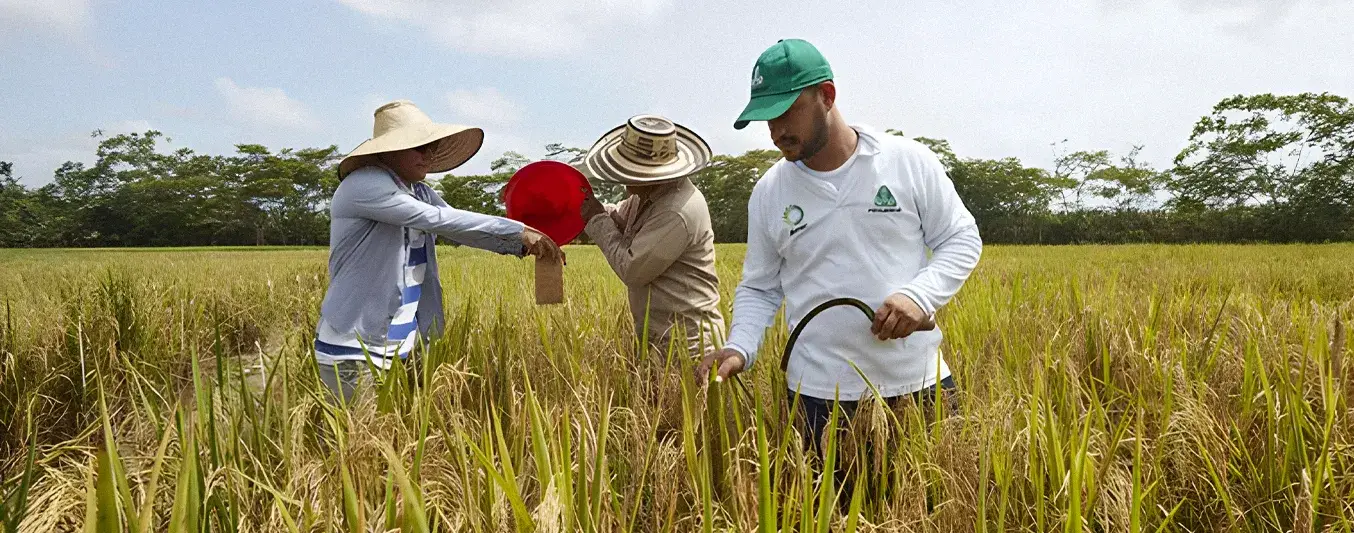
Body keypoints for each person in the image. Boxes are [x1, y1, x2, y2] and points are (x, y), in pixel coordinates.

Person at [696, 39, 983, 451]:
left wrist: (919, 296)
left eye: (785, 113)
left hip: (918, 385)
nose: (776, 132)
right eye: (766, 120)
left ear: (826, 95)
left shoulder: (907, 161)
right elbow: (760, 286)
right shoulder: (769, 192)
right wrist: (740, 345)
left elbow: (960, 237)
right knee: (823, 514)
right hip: (817, 398)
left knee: (940, 508)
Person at [316, 99, 562, 404]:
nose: (429, 155)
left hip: (400, 346)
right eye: (420, 147)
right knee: (361, 444)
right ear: (390, 150)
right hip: (354, 348)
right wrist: (518, 231)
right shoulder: (364, 185)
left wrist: (522, 243)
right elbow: (440, 220)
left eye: (432, 147)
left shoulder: (418, 191)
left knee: (397, 440)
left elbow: (458, 226)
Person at [578, 114, 726, 359]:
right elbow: (620, 214)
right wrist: (587, 209)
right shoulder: (648, 196)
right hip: (660, 339)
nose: (625, 179)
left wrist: (596, 220)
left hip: (688, 347)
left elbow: (632, 269)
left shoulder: (676, 210)